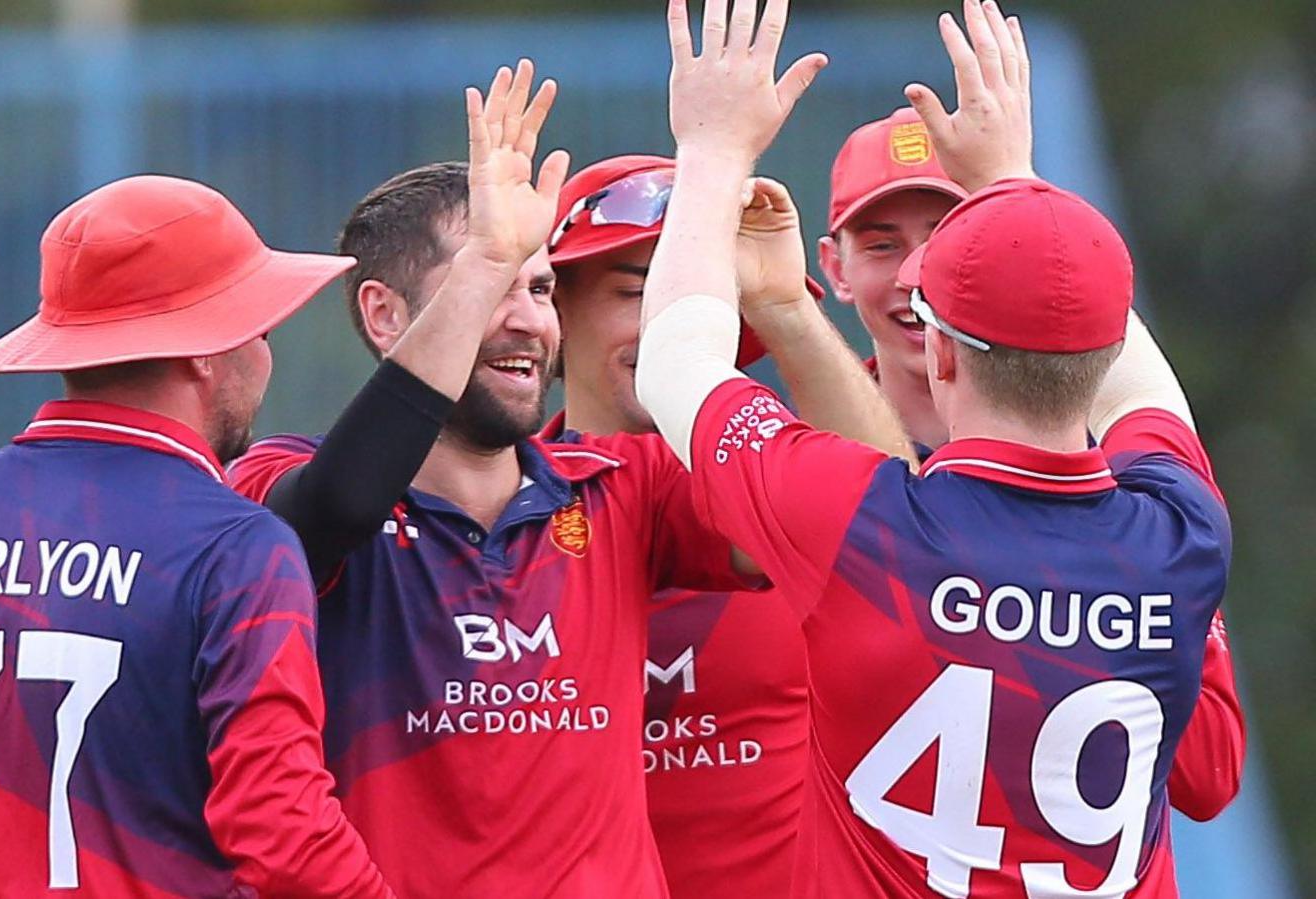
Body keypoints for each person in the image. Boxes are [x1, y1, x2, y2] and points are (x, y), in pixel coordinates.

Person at [227, 61, 910, 896]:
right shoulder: (281, 483)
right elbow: (332, 509)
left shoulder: (620, 487)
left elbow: (868, 517)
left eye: (539, 286)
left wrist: (784, 305)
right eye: (486, 284)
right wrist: (489, 259)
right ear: (382, 314)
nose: (524, 315)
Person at [636, 1, 1231, 896]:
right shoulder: (1181, 525)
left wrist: (713, 151)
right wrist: (1017, 179)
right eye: (884, 239)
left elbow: (676, 363)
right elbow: (1144, 395)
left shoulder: (856, 515)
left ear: (943, 347)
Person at [0, 175, 392, 898]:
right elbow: (282, 828)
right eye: (259, 326)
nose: (266, 354)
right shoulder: (238, 547)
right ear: (205, 348)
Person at [820, 109, 1245, 820]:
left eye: (947, 238)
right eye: (881, 243)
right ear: (833, 267)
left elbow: (1208, 770)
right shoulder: (803, 470)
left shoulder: (1123, 501)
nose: (914, 274)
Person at [546, 156, 828, 896]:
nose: (670, 326)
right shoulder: (488, 516)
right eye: (638, 291)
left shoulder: (797, 490)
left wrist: (789, 311)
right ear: (553, 304)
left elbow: (896, 542)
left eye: (698, 299)